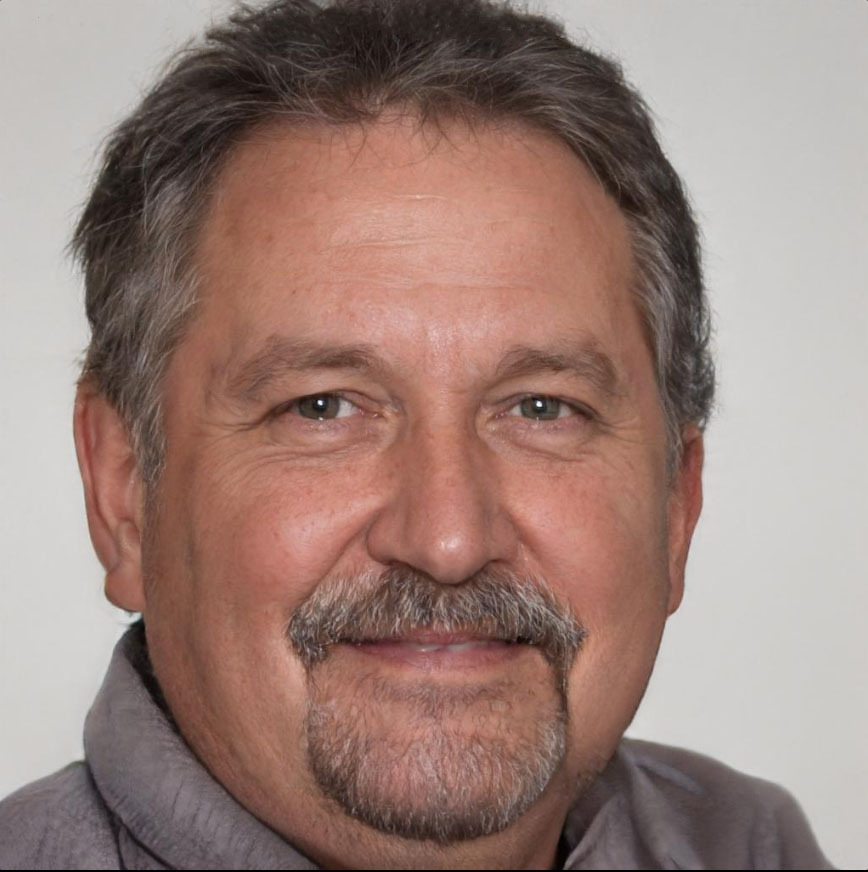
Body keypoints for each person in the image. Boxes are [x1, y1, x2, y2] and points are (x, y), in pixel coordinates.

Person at [0, 0, 834, 868]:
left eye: (541, 408)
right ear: (124, 491)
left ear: (676, 506)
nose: (447, 539)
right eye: (323, 406)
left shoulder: (747, 846)